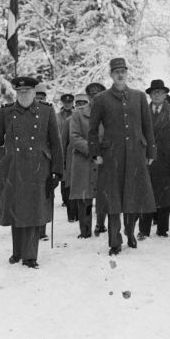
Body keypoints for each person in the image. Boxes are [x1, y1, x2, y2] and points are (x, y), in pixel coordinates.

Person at [0, 76, 64, 268]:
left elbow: (56, 143)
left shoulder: (46, 111)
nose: (23, 95)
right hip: (13, 170)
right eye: (19, 92)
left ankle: (30, 256)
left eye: (27, 92)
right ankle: (17, 252)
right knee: (16, 210)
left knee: (33, 212)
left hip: (39, 170)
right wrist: (2, 160)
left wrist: (57, 171)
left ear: (34, 92)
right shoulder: (7, 112)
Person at [88, 58, 156, 256]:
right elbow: (92, 131)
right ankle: (114, 241)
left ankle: (130, 233)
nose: (120, 75)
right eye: (116, 71)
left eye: (123, 71)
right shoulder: (101, 99)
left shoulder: (139, 97)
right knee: (113, 199)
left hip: (135, 154)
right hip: (111, 156)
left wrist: (151, 152)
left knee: (133, 195)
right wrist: (95, 154)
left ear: (127, 73)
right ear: (111, 75)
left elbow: (147, 127)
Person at [138, 80, 170, 239]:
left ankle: (162, 229)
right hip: (146, 158)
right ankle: (144, 229)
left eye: (160, 92)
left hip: (166, 158)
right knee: (145, 193)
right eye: (154, 92)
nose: (157, 95)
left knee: (165, 194)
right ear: (149, 95)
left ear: (165, 94)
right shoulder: (141, 112)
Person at [69, 87, 105, 238]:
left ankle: (101, 225)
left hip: (104, 160)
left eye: (98, 95)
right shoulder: (78, 113)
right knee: (84, 197)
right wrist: (92, 150)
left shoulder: (110, 113)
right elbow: (75, 137)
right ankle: (85, 230)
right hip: (84, 160)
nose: (94, 98)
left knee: (104, 195)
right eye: (92, 96)